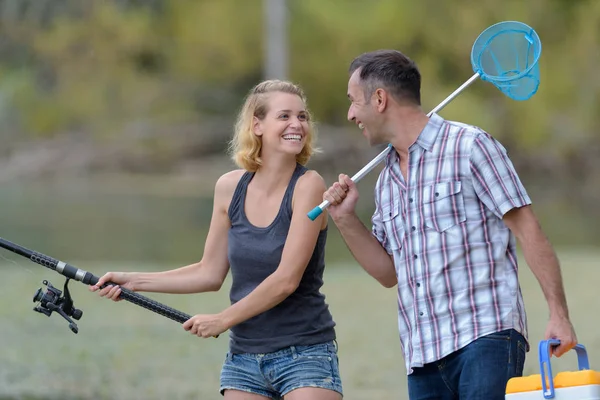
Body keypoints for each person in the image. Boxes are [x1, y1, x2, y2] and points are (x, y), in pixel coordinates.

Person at [322, 49, 577, 399]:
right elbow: (387, 273)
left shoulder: (471, 146)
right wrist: (345, 219)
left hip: (486, 338)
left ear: (379, 99)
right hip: (422, 355)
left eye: (353, 101)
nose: (351, 114)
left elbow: (528, 230)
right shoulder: (386, 181)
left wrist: (559, 314)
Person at [90, 79, 343, 400]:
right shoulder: (228, 187)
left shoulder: (309, 186)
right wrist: (132, 281)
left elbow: (285, 281)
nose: (297, 124)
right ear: (257, 125)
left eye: (303, 116)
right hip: (244, 359)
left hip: (305, 354)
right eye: (284, 116)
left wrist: (222, 320)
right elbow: (209, 272)